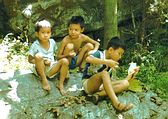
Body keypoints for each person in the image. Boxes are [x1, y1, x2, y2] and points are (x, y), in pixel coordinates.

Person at [82, 36, 139, 112]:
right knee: (104, 74)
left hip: (101, 88)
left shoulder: (112, 64)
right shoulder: (99, 54)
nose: (120, 57)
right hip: (88, 84)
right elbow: (88, 58)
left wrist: (130, 76)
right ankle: (116, 103)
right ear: (111, 50)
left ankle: (97, 96)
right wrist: (106, 62)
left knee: (125, 83)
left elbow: (109, 84)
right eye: (119, 53)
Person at [28, 19, 69, 95]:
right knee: (38, 56)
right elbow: (30, 60)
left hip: (51, 68)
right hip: (40, 68)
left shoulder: (52, 42)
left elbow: (56, 56)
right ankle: (44, 80)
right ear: (37, 34)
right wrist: (42, 61)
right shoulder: (35, 45)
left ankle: (60, 84)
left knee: (65, 61)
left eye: (48, 32)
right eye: (43, 32)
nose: (46, 35)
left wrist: (51, 62)